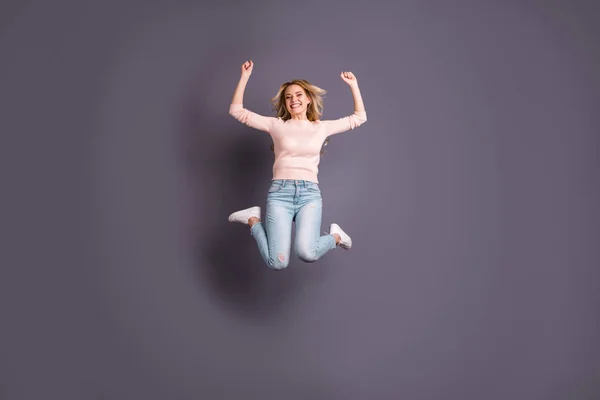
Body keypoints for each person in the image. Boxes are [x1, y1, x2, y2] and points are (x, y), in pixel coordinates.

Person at [227, 60, 367, 270]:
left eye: (299, 95)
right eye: (288, 97)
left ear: (309, 99)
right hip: (280, 193)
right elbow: (237, 111)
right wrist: (244, 77)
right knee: (278, 263)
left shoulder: (321, 127)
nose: (294, 100)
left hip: (309, 195)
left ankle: (336, 237)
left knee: (306, 253)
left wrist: (354, 85)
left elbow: (359, 117)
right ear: (285, 103)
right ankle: (253, 220)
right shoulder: (277, 125)